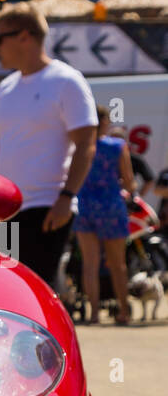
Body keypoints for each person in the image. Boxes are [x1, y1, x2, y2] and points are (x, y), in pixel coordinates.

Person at [0, 2, 97, 291]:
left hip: (46, 208)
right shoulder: (5, 88)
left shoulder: (67, 81)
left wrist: (66, 197)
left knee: (37, 295)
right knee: (6, 294)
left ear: (25, 37)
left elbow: (86, 143)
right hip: (5, 212)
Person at [74, 106, 136, 325]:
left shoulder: (81, 146)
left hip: (85, 205)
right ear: (106, 122)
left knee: (89, 264)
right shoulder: (118, 146)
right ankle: (124, 312)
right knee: (117, 264)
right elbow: (129, 181)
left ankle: (93, 314)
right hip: (111, 205)